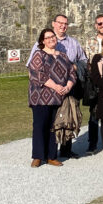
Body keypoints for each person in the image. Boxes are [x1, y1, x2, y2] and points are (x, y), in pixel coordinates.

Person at [25, 14, 87, 158]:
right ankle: (39, 156)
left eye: (65, 23)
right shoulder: (39, 50)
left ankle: (60, 152)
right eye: (60, 23)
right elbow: (33, 71)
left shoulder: (70, 46)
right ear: (54, 24)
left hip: (63, 92)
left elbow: (79, 65)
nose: (63, 26)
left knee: (62, 121)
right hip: (42, 93)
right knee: (41, 125)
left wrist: (72, 77)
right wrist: (51, 86)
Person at [27, 27, 76, 168]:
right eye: (47, 37)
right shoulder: (39, 54)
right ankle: (37, 156)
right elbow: (37, 74)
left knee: (54, 127)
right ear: (43, 41)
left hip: (58, 97)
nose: (51, 39)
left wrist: (68, 86)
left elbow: (72, 73)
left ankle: (51, 156)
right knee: (39, 125)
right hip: (40, 97)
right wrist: (56, 86)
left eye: (52, 36)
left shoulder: (63, 56)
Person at [83, 13, 103, 153]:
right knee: (93, 113)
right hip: (94, 82)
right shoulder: (89, 41)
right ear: (96, 25)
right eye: (100, 23)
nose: (102, 26)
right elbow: (86, 61)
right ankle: (92, 143)